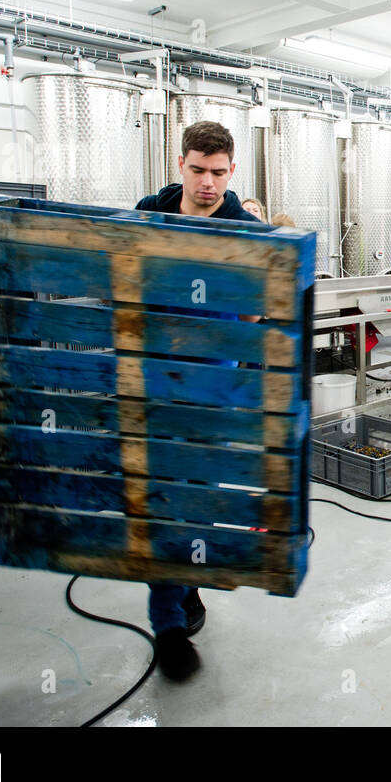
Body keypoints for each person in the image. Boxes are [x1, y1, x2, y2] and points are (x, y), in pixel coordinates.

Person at [134, 119, 261, 682]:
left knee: (197, 494)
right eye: (197, 170)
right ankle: (172, 611)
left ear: (231, 171)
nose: (207, 182)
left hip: (212, 385)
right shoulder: (148, 212)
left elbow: (256, 316)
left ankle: (179, 595)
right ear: (179, 165)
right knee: (163, 495)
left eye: (217, 172)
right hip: (156, 379)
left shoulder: (245, 229)